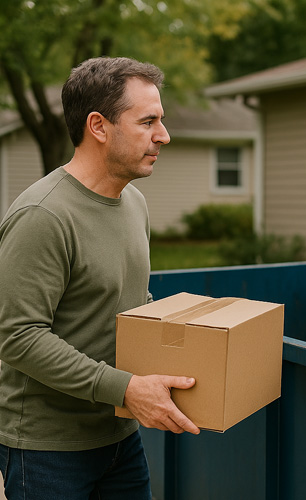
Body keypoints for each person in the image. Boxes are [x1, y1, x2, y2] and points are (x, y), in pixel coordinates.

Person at [0, 57, 199, 500]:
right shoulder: (43, 216)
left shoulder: (135, 204)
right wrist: (126, 388)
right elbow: (19, 336)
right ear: (98, 125)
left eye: (160, 121)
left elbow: (134, 306)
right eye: (148, 121)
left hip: (120, 437)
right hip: (47, 450)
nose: (163, 136)